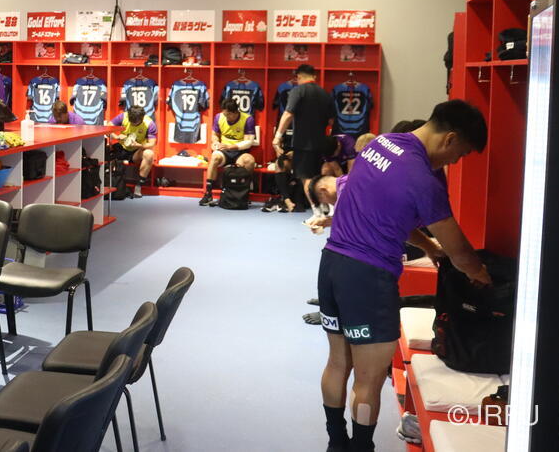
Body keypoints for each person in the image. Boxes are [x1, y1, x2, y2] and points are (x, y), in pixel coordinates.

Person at [316, 100, 491, 452]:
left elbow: (392, 214)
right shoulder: (422, 177)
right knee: (368, 380)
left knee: (337, 362)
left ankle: (336, 442)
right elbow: (459, 250)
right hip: (367, 278)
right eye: (460, 154)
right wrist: (481, 275)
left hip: (332, 264)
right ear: (450, 138)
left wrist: (427, 247)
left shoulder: (381, 144)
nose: (456, 162)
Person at [273, 64, 334, 226]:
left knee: (306, 178)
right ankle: (325, 210)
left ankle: (318, 213)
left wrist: (277, 136)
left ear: (299, 76)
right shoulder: (325, 94)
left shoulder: (298, 91)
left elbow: (288, 114)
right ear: (314, 76)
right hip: (321, 143)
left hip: (303, 143)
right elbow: (331, 121)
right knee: (317, 177)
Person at [199, 98, 259, 206]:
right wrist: (216, 142)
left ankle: (244, 193)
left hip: (240, 151)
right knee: (214, 157)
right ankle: (208, 193)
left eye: (228, 115)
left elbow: (248, 142)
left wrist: (231, 147)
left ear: (235, 112)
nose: (226, 117)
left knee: (249, 160)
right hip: (224, 151)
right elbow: (214, 135)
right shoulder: (219, 117)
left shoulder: (248, 119)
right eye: (224, 114)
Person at [108, 106, 157, 198]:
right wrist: (116, 137)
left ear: (142, 118)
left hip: (136, 151)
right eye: (131, 122)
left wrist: (139, 145)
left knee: (149, 154)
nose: (133, 124)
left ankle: (138, 186)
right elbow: (107, 128)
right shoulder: (123, 116)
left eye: (135, 123)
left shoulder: (149, 123)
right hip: (121, 148)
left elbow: (152, 144)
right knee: (104, 150)